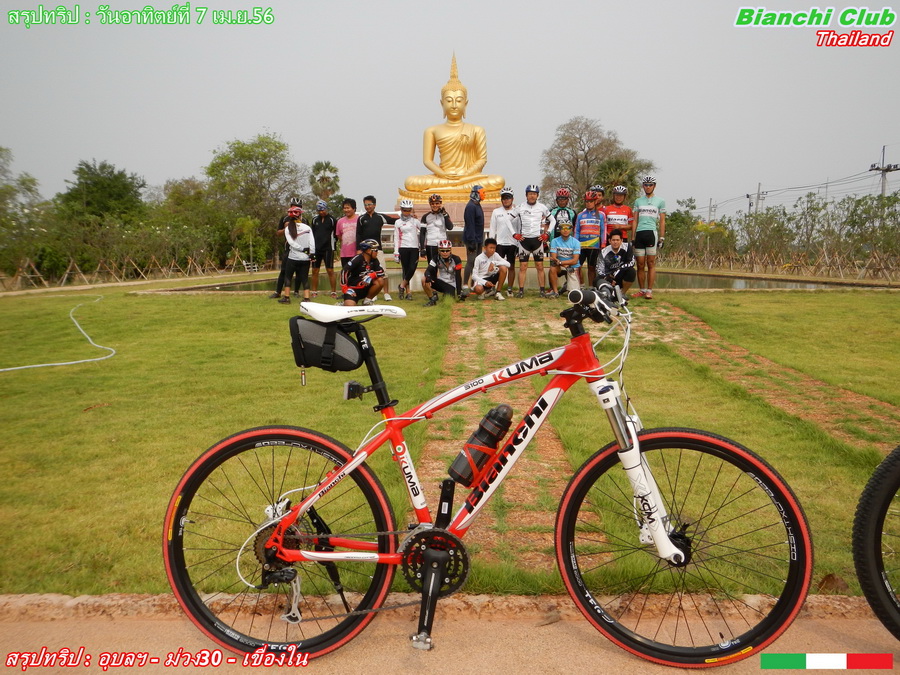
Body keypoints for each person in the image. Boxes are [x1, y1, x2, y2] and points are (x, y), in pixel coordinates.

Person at [402, 55, 504, 198]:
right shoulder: (432, 130)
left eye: (459, 100)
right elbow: (427, 161)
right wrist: (443, 174)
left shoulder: (477, 130)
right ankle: (459, 188)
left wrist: (466, 175)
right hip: (443, 177)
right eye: (449, 101)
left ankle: (453, 187)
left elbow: (482, 159)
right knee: (411, 182)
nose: (454, 105)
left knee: (498, 180)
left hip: (469, 177)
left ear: (466, 104)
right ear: (441, 103)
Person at [514, 184, 553, 298]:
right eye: (530, 194)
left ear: (537, 195)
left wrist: (547, 233)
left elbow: (553, 220)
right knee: (523, 267)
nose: (532, 196)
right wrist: (514, 234)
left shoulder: (542, 207)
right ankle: (521, 291)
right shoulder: (520, 207)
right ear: (526, 195)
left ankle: (542, 291)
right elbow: (508, 219)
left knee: (540, 266)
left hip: (537, 240)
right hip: (524, 240)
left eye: (534, 194)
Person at [632, 175, 666, 300]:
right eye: (646, 185)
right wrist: (633, 237)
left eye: (650, 185)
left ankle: (649, 291)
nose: (648, 187)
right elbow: (635, 220)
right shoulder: (638, 201)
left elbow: (662, 220)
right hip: (640, 233)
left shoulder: (660, 201)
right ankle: (642, 290)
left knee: (650, 263)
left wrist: (662, 237)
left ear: (654, 186)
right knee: (640, 264)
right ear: (643, 186)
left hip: (651, 233)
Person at [357, 195, 397, 301]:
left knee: (383, 271)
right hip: (365, 251)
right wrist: (358, 249)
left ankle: (386, 293)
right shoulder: (361, 218)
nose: (367, 207)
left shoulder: (380, 217)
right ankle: (373, 294)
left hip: (377, 249)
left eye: (369, 204)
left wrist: (408, 217)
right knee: (369, 272)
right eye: (365, 205)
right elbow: (358, 234)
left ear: (374, 205)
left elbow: (394, 220)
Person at [278, 206, 316, 304]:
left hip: (293, 257)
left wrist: (301, 248)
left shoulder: (288, 228)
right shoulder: (307, 228)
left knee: (288, 277)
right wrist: (312, 253)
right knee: (305, 278)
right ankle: (306, 298)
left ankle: (286, 298)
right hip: (305, 258)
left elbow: (291, 242)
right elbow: (312, 242)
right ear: (300, 216)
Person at [488, 186, 521, 294]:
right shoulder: (496, 212)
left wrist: (519, 244)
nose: (506, 200)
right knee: (498, 267)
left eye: (508, 197)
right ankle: (493, 287)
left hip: (512, 243)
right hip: (500, 243)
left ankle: (510, 289)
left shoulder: (517, 212)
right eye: (504, 198)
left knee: (511, 267)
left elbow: (519, 229)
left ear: (512, 199)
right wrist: (491, 245)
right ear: (501, 199)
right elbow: (492, 228)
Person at [270, 196, 304, 299]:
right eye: (293, 206)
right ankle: (278, 292)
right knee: (284, 271)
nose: (295, 209)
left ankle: (296, 292)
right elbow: (278, 233)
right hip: (288, 248)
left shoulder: (304, 220)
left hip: (300, 249)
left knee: (299, 271)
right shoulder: (285, 218)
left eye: (298, 207)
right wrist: (286, 228)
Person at [340, 238, 385, 306]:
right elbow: (344, 271)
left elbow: (381, 272)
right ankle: (343, 304)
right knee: (350, 307)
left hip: (366, 288)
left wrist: (371, 275)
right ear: (368, 250)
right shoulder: (357, 259)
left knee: (380, 280)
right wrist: (344, 287)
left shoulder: (374, 260)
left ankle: (367, 301)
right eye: (375, 250)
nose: (377, 252)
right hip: (354, 290)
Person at [574, 190, 605, 288]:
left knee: (591, 267)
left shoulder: (601, 215)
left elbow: (603, 230)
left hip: (594, 246)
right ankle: (580, 285)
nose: (588, 203)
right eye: (587, 201)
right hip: (581, 245)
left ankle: (592, 287)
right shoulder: (580, 215)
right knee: (577, 266)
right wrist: (575, 244)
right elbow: (577, 231)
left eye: (591, 201)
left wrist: (603, 244)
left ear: (595, 201)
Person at [394, 199, 422, 301]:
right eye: (405, 210)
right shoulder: (398, 222)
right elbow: (396, 238)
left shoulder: (415, 221)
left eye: (408, 210)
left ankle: (401, 285)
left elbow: (423, 229)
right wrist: (396, 252)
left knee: (412, 268)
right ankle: (408, 292)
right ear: (401, 210)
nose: (406, 212)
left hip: (414, 248)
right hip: (403, 247)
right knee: (405, 270)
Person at [422, 239, 465, 306]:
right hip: (441, 281)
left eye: (447, 250)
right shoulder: (435, 258)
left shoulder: (456, 259)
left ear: (450, 250)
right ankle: (432, 299)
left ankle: (446, 294)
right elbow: (428, 270)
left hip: (451, 284)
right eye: (442, 250)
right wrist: (428, 277)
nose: (445, 252)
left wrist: (459, 292)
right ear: (439, 251)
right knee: (424, 279)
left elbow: (458, 276)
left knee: (448, 300)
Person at [596, 228, 636, 300]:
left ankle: (622, 294)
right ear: (609, 241)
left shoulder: (627, 247)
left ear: (621, 240)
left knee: (631, 272)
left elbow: (632, 262)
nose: (615, 242)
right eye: (613, 240)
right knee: (596, 280)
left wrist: (618, 271)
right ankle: (608, 292)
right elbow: (599, 270)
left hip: (621, 274)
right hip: (609, 277)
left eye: (617, 240)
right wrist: (608, 278)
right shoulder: (603, 252)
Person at [310, 200, 338, 298]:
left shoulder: (332, 220)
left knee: (330, 270)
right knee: (315, 270)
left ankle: (333, 292)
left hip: (328, 248)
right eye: (319, 210)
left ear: (326, 209)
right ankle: (314, 291)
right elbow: (312, 234)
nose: (321, 212)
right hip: (316, 249)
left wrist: (333, 245)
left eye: (323, 210)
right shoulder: (314, 220)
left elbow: (336, 234)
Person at [548, 222, 581, 298]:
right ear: (559, 230)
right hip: (560, 266)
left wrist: (561, 262)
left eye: (568, 228)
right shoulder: (554, 241)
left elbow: (575, 261)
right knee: (552, 268)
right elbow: (553, 258)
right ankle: (555, 292)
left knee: (573, 295)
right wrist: (563, 264)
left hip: (572, 267)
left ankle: (566, 287)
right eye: (563, 228)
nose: (565, 230)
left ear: (571, 230)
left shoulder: (576, 242)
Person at [418, 193, 454, 263]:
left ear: (440, 204)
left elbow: (450, 227)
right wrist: (422, 248)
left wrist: (445, 215)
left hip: (443, 244)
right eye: (432, 203)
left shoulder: (445, 215)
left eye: (437, 203)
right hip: (431, 244)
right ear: (430, 204)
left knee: (444, 265)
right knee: (432, 265)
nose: (435, 205)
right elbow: (422, 233)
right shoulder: (425, 216)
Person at [462, 184, 485, 285]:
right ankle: (465, 285)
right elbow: (470, 224)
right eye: (482, 193)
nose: (484, 195)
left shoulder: (477, 204)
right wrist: (471, 242)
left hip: (478, 239)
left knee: (477, 263)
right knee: (471, 262)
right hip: (472, 239)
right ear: (476, 194)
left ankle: (474, 284)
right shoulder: (471, 206)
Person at [335, 198, 359, 269]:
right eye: (344, 208)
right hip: (345, 254)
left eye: (348, 208)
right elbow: (339, 236)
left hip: (357, 253)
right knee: (346, 273)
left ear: (354, 208)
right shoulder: (340, 221)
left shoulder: (359, 219)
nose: (346, 210)